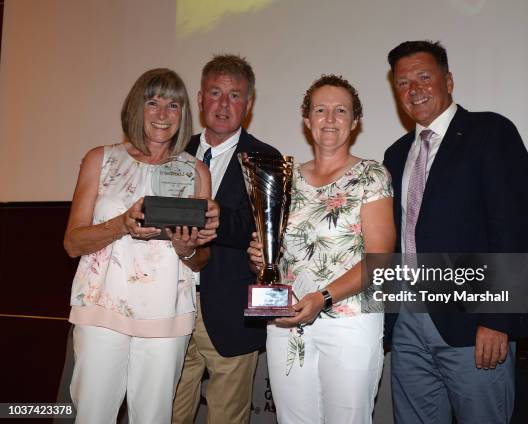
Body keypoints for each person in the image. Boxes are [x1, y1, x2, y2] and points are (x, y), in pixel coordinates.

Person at [383, 40, 528, 423]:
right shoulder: (396, 154)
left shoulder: (490, 132)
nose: (414, 89)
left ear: (448, 80)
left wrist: (497, 318)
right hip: (407, 323)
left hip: (473, 325)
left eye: (424, 76)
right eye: (403, 83)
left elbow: (513, 232)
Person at [64, 68, 219, 423]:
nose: (163, 114)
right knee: (93, 416)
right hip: (103, 308)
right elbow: (72, 243)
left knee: (153, 418)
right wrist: (122, 224)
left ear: (183, 114)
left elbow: (200, 259)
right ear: (137, 107)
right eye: (153, 102)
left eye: (173, 105)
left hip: (167, 313)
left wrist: (187, 248)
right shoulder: (100, 159)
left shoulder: (195, 171)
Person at [248, 75, 395, 423]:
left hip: (351, 319)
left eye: (341, 110)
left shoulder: (371, 175)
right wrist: (259, 258)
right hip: (288, 320)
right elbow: (277, 257)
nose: (330, 119)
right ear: (307, 120)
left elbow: (381, 259)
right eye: (321, 110)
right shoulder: (285, 180)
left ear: (355, 122)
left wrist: (323, 298)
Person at [172, 54, 279, 424]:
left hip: (231, 311)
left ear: (248, 105)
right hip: (170, 305)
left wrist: (216, 218)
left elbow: (266, 235)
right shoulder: (174, 153)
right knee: (166, 413)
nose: (223, 104)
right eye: (215, 93)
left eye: (234, 95)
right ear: (200, 99)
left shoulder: (266, 158)